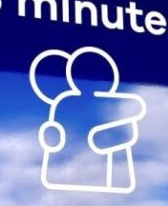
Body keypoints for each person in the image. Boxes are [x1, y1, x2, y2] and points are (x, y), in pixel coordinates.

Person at [30, 46, 146, 194]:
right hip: (64, 171)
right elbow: (54, 134)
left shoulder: (113, 104)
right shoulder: (66, 102)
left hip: (105, 176)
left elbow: (127, 131)